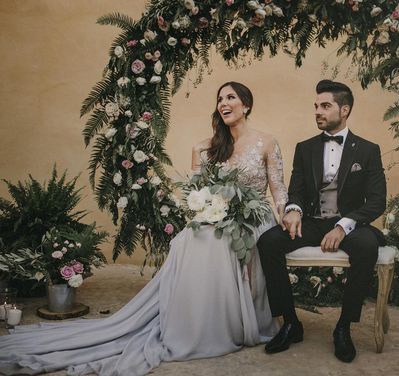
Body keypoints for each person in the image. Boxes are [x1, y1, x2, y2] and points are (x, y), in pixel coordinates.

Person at [0, 82, 288, 375]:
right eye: (219, 99)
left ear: (246, 105)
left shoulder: (266, 142)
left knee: (215, 241)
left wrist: (285, 216)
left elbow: (278, 191)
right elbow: (194, 196)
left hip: (254, 217)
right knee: (191, 238)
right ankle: (195, 321)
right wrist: (205, 199)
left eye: (231, 98)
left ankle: (228, 321)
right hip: (216, 216)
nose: (223, 103)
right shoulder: (207, 147)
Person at [257, 79, 386, 363]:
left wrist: (344, 226)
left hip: (349, 223)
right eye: (316, 106)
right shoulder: (305, 148)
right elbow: (297, 190)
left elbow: (377, 201)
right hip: (313, 221)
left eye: (325, 106)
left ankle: (343, 327)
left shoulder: (367, 150)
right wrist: (293, 210)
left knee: (366, 247)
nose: (318, 111)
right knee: (269, 242)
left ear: (345, 109)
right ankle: (291, 323)